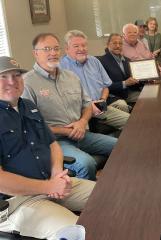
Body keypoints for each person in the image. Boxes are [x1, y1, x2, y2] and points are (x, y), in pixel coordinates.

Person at [0, 56, 95, 239]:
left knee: (113, 199)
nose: (12, 81)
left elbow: (52, 144)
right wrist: (48, 186)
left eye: (17, 75)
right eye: (3, 76)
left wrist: (56, 175)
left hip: (50, 184)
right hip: (15, 202)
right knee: (81, 233)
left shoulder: (28, 106)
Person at [23, 33, 117, 180]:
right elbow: (30, 126)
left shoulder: (71, 77)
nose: (53, 53)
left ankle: (116, 185)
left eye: (56, 48)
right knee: (86, 164)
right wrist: (65, 131)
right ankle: (90, 199)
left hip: (81, 134)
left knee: (120, 146)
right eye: (47, 49)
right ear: (36, 53)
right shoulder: (27, 83)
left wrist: (82, 122)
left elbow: (87, 104)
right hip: (54, 142)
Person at [59, 30, 130, 132]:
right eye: (76, 46)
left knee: (129, 118)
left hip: (100, 105)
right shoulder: (60, 68)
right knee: (129, 122)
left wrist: (102, 100)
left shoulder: (94, 61)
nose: (81, 49)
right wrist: (88, 107)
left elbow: (105, 86)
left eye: (84, 45)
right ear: (66, 49)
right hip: (80, 112)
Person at [98, 33, 142, 110]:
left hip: (129, 93)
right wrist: (124, 83)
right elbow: (103, 86)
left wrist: (147, 79)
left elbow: (134, 79)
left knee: (150, 96)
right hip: (115, 96)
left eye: (120, 43)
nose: (118, 46)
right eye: (114, 43)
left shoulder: (127, 60)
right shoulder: (101, 62)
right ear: (108, 44)